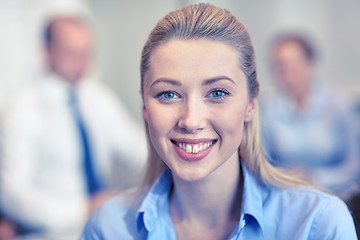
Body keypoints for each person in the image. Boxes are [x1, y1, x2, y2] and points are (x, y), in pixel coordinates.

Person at [80, 3, 357, 239]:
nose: (191, 120)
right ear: (144, 106)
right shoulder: (108, 227)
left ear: (250, 104)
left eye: (218, 93)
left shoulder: (317, 223)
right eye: (168, 94)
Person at [0, 15, 147, 237]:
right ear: (47, 52)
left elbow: (138, 148)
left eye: (87, 53)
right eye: (72, 54)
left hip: (100, 225)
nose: (83, 63)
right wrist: (81, 209)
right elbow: (11, 194)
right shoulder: (22, 109)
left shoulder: (97, 97)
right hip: (49, 231)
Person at [261, 33, 359, 200]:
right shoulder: (267, 109)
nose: (286, 74)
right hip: (287, 194)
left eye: (292, 65)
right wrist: (286, 177)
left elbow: (354, 167)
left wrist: (313, 177)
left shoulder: (341, 105)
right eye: (279, 66)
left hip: (337, 196)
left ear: (310, 63)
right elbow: (263, 163)